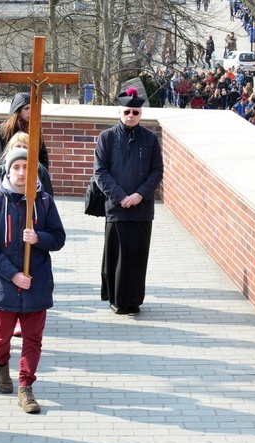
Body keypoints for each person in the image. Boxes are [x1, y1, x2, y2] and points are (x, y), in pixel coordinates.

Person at [0, 148, 66, 413]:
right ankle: (1, 366)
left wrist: (39, 238)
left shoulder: (44, 202)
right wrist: (13, 274)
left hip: (36, 283)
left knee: (32, 340)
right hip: (5, 286)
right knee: (0, 339)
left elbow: (59, 237)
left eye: (27, 167)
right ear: (8, 170)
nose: (21, 172)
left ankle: (26, 387)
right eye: (16, 167)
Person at [94, 88, 163, 315]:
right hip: (117, 208)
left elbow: (156, 172)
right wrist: (121, 196)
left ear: (140, 114)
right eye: (127, 112)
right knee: (118, 256)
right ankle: (116, 299)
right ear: (120, 112)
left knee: (137, 255)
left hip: (141, 208)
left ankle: (133, 300)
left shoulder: (150, 139)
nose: (131, 116)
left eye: (135, 112)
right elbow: (100, 172)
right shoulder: (108, 137)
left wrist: (139, 195)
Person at [0, 92, 50, 169]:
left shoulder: (35, 128)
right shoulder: (4, 130)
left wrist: (40, 174)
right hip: (12, 174)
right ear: (18, 110)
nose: (30, 112)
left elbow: (43, 157)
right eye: (26, 108)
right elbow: (1, 160)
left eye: (32, 108)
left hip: (33, 173)